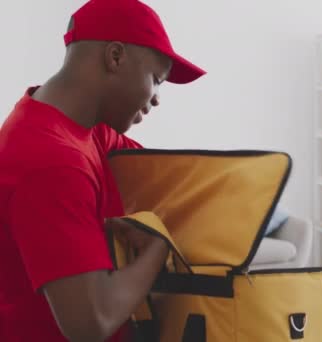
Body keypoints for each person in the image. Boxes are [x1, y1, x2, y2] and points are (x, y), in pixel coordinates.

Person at [0, 0, 205, 341]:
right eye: (156, 79)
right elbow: (90, 322)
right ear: (115, 57)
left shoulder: (87, 130)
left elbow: (168, 173)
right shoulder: (50, 161)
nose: (156, 99)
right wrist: (158, 249)